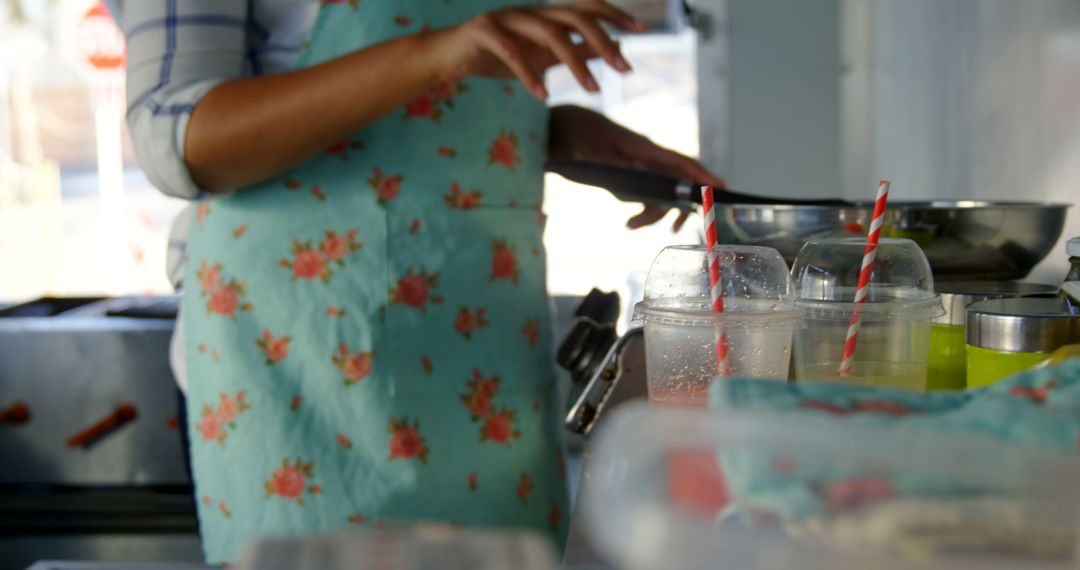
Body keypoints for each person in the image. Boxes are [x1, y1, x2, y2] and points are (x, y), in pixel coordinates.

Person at [125, 0, 725, 563]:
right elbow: (177, 136)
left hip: (482, 348)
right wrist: (434, 55)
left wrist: (562, 134)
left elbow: (432, 102)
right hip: (312, 361)